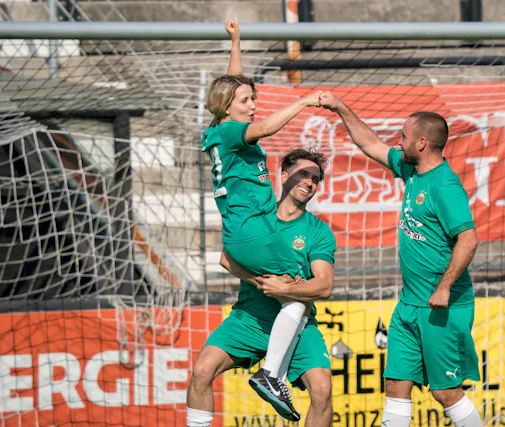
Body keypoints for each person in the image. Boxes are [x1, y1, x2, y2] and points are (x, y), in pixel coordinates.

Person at [319, 92, 482, 427]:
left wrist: (444, 287)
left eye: (404, 137)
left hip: (442, 307)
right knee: (395, 385)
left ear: (422, 143)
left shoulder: (445, 186)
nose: (399, 141)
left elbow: (469, 239)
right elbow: (370, 143)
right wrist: (340, 107)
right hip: (409, 304)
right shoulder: (412, 170)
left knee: (446, 392)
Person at [196, 18, 323, 420]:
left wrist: (236, 42)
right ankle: (271, 374)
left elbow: (233, 85)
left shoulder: (217, 129)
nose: (253, 105)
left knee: (291, 295)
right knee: (299, 294)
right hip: (255, 231)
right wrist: (305, 101)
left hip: (240, 234)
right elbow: (265, 126)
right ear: (229, 107)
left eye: (253, 98)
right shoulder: (234, 132)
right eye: (246, 100)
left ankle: (272, 373)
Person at [186, 148, 336, 427]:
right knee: (202, 370)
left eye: (315, 179)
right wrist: (263, 283)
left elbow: (324, 285)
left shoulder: (318, 231)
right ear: (284, 176)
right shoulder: (257, 219)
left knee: (322, 391)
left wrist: (285, 290)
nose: (309, 182)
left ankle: (273, 376)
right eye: (303, 174)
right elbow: (226, 259)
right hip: (250, 319)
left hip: (298, 324)